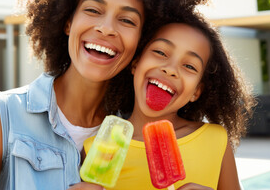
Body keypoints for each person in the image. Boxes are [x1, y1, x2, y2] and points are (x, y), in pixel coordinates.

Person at [0, 0, 206, 189]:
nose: (106, 28)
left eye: (127, 20)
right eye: (93, 10)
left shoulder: (141, 134)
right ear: (68, 22)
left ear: (141, 42)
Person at [83, 11, 256, 189]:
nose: (171, 69)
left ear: (196, 91)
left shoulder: (215, 140)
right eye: (160, 52)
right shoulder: (95, 148)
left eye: (189, 66)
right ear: (136, 63)